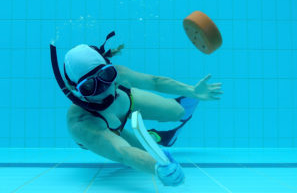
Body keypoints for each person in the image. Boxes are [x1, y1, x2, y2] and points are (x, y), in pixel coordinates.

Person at [50, 31, 223, 186]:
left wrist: (192, 90)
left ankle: (156, 131)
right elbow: (122, 152)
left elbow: (153, 81)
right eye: (89, 86)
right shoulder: (80, 123)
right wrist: (158, 167)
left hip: (126, 102)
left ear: (110, 67)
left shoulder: (120, 75)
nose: (103, 88)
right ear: (74, 89)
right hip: (103, 128)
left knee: (178, 111)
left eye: (106, 75)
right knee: (140, 155)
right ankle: (155, 137)